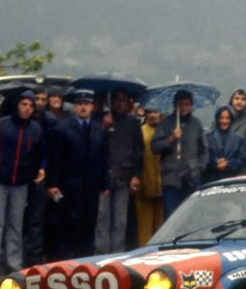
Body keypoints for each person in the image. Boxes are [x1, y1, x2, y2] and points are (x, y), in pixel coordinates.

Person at [0, 90, 45, 275]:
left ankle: (13, 263)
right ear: (17, 105)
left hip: (21, 184)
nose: (27, 108)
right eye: (24, 104)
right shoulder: (0, 125)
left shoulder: (36, 129)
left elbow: (42, 153)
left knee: (16, 224)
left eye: (31, 106)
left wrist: (40, 168)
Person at [46, 88, 109, 259]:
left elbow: (104, 158)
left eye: (86, 104)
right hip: (69, 185)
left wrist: (105, 183)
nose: (83, 107)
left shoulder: (99, 130)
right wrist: (52, 183)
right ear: (75, 106)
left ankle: (86, 260)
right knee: (68, 224)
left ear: (92, 107)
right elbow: (55, 158)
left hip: (91, 186)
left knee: (89, 224)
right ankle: (66, 261)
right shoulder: (63, 128)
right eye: (80, 104)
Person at [95, 89, 143, 254]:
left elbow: (139, 150)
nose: (120, 104)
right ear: (111, 102)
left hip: (124, 176)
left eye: (124, 100)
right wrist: (104, 127)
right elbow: (94, 145)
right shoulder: (101, 120)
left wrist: (137, 175)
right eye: (117, 100)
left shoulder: (133, 122)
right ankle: (101, 255)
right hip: (104, 178)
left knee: (120, 221)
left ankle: (117, 255)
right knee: (102, 219)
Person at [152, 89, 208, 218]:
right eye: (180, 104)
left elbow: (204, 149)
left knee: (191, 217)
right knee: (171, 217)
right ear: (175, 105)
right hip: (171, 180)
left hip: (191, 179)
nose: (184, 107)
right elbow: (154, 147)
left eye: (187, 104)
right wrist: (171, 139)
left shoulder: (197, 124)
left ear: (191, 106)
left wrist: (199, 167)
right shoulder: (165, 124)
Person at [133, 105, 164, 246]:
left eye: (155, 111)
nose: (152, 115)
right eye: (149, 112)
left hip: (162, 185)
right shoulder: (140, 131)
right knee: (144, 228)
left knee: (162, 228)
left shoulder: (165, 131)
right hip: (144, 184)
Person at [204, 105, 246, 183]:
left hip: (232, 180)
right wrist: (216, 162)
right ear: (217, 119)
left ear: (231, 120)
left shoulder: (239, 139)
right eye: (221, 118)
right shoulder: (208, 137)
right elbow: (203, 156)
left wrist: (228, 164)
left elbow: (243, 159)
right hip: (211, 180)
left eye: (227, 118)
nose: (224, 121)